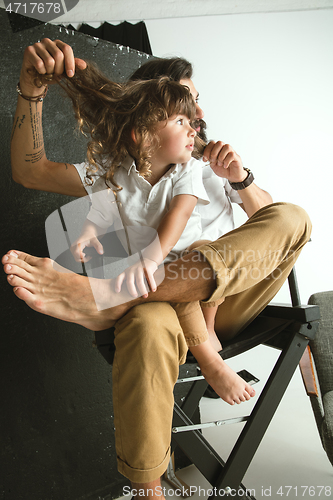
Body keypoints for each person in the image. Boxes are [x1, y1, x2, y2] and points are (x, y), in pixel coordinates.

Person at [3, 39, 311, 498]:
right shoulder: (115, 172)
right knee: (146, 324)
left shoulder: (210, 165)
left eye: (196, 105)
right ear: (144, 123)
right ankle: (149, 490)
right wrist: (32, 92)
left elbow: (273, 231)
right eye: (181, 109)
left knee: (293, 216)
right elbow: (32, 172)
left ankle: (105, 299)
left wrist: (241, 180)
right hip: (164, 312)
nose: (197, 119)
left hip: (226, 303)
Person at [60, 63, 242, 401]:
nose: (194, 129)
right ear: (141, 133)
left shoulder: (186, 169)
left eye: (192, 120)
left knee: (200, 255)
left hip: (183, 261)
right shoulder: (115, 171)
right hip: (151, 273)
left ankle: (209, 340)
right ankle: (207, 356)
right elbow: (101, 209)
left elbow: (180, 212)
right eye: (181, 121)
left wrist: (151, 258)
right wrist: (87, 232)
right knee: (171, 294)